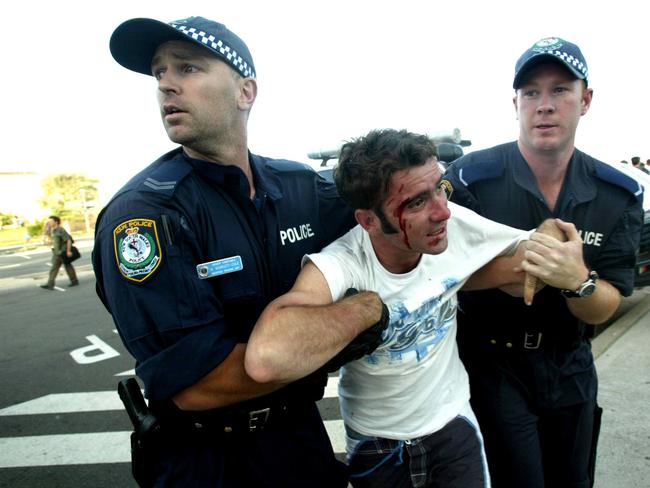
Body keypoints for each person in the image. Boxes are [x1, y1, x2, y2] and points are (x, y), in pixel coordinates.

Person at [92, 15, 374, 487]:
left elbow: (383, 205)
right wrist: (349, 326)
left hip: (302, 440)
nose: (166, 86)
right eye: (160, 73)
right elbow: (195, 385)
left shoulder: (299, 186)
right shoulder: (146, 215)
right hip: (208, 461)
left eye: (187, 68)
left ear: (246, 91)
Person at [245, 128, 541, 487]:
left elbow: (534, 245)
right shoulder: (345, 262)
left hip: (452, 427)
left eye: (439, 188)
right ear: (368, 221)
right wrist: (367, 308)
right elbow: (266, 357)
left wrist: (568, 261)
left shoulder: (452, 225)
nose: (442, 211)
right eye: (416, 202)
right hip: (376, 446)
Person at [443, 37, 644, 488]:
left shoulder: (617, 194)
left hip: (570, 363)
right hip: (492, 365)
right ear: (514, 103)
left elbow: (608, 300)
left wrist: (577, 280)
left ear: (585, 100)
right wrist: (525, 261)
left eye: (560, 90)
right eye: (531, 92)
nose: (544, 105)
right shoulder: (470, 179)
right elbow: (440, 273)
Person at [40, 215, 78, 290]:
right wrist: (46, 231)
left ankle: (74, 281)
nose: (49, 222)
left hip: (62, 252)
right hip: (56, 253)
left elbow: (68, 240)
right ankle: (50, 284)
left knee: (67, 266)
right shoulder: (52, 230)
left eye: (51, 221)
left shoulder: (61, 230)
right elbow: (50, 240)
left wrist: (68, 251)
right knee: (54, 268)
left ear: (56, 222)